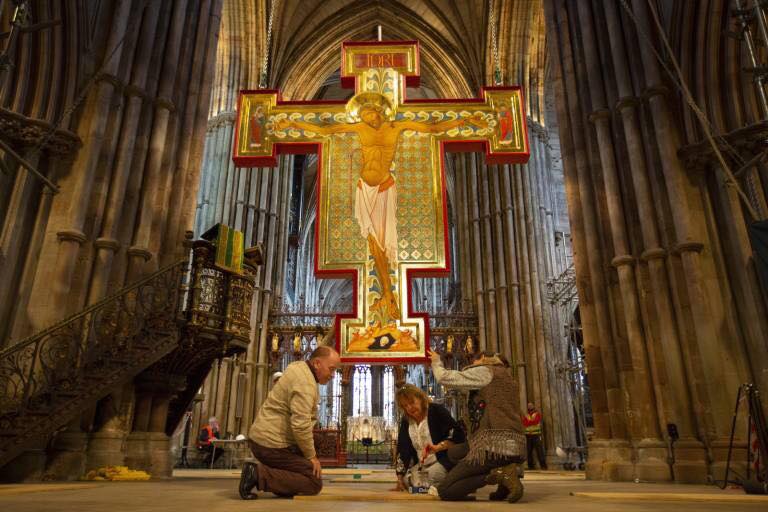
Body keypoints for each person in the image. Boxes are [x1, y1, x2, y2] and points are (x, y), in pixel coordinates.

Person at [275, 93, 487, 324]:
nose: (368, 118)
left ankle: (389, 296)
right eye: (364, 114)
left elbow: (435, 127)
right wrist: (292, 123)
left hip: (386, 191)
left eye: (372, 114)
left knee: (387, 246)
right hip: (362, 190)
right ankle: (384, 296)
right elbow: (324, 130)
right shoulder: (358, 131)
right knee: (372, 244)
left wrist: (466, 121)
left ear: (381, 112)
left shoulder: (397, 127)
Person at [238, 346, 341, 499]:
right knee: (313, 482)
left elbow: (319, 351)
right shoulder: (305, 384)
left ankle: (282, 482)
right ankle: (257, 474)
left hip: (263, 438)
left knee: (317, 441)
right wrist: (312, 458)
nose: (332, 375)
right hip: (270, 445)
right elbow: (300, 425)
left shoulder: (299, 366)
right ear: (317, 364)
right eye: (331, 369)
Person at [430, 350, 526, 502]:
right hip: (514, 444)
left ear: (482, 359)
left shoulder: (485, 371)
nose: (471, 366)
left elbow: (445, 378)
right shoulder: (506, 377)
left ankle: (500, 473)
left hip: (493, 448)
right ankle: (507, 480)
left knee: (446, 490)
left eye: (473, 362)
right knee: (454, 453)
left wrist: (436, 361)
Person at [392, 384, 466, 492]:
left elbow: (457, 435)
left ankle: (453, 480)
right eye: (405, 406)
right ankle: (441, 485)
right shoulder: (406, 420)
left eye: (412, 403)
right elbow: (403, 449)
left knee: (422, 481)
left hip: (442, 460)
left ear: (421, 398)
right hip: (422, 465)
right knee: (407, 481)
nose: (409, 408)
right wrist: (399, 478)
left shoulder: (436, 411)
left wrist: (438, 447)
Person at [522, 402, 548, 470]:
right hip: (528, 435)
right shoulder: (526, 415)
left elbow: (536, 422)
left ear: (533, 406)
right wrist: (531, 422)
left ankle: (543, 466)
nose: (529, 406)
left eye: (531, 405)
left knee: (539, 451)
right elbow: (525, 423)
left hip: (536, 435)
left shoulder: (537, 414)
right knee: (529, 452)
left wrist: (529, 422)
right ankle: (531, 466)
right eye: (528, 405)